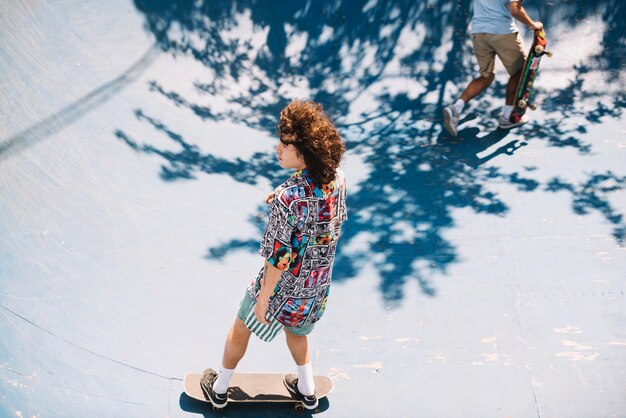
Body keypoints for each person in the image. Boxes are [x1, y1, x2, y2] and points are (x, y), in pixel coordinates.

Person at [200, 99, 348, 410]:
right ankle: (308, 392)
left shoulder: (288, 199)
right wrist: (283, 193)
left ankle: (220, 388)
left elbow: (278, 257)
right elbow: (317, 208)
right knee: (297, 334)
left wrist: (265, 296)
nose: (278, 149)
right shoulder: (337, 180)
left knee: (241, 327)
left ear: (304, 152)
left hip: (281, 288)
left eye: (286, 145)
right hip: (315, 287)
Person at [443, 0, 544, 136]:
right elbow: (514, 9)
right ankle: (508, 118)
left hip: (478, 32)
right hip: (502, 32)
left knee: (486, 76)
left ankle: (456, 108)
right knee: (520, 73)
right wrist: (533, 25)